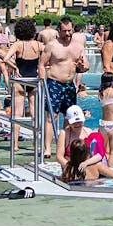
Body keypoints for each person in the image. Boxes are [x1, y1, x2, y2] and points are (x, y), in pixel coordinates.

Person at [38, 17, 88, 158]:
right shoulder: (52, 45)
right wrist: (43, 83)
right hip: (54, 83)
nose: (67, 33)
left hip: (69, 85)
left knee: (70, 118)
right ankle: (47, 148)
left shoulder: (78, 46)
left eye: (69, 30)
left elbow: (86, 66)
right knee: (51, 116)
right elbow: (42, 64)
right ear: (58, 30)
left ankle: (66, 146)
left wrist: (82, 66)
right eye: (65, 31)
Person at [5, 18, 44, 124]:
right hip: (33, 80)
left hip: (20, 80)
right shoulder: (38, 45)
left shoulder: (17, 44)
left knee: (17, 114)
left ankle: (15, 140)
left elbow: (5, 58)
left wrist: (14, 67)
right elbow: (51, 53)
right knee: (34, 112)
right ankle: (35, 137)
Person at [56, 105, 105, 172]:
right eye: (74, 122)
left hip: (87, 165)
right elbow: (59, 157)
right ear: (68, 121)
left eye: (79, 121)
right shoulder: (64, 134)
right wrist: (71, 168)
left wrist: (86, 163)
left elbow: (100, 154)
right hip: (69, 166)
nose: (77, 124)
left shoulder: (89, 132)